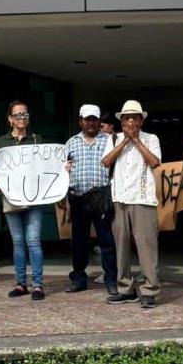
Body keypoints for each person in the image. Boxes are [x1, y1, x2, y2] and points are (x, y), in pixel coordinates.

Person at [102, 100, 162, 309]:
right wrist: (124, 141)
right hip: (119, 199)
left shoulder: (151, 138)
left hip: (142, 199)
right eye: (126, 118)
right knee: (121, 247)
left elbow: (154, 162)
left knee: (146, 246)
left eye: (134, 117)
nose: (130, 121)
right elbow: (106, 161)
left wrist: (136, 141)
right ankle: (125, 289)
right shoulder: (113, 139)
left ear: (141, 120)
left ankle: (149, 290)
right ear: (121, 121)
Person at [0, 100, 47, 300]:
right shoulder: (2, 143)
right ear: (10, 119)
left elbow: (45, 167)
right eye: (18, 114)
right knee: (18, 242)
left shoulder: (37, 140)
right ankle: (21, 283)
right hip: (11, 198)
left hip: (34, 198)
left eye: (26, 114)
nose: (23, 117)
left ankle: (37, 285)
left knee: (34, 241)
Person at [64, 104, 118, 295]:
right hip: (77, 197)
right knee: (78, 241)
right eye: (87, 119)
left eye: (94, 119)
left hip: (101, 196)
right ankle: (78, 279)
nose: (91, 123)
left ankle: (111, 279)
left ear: (99, 121)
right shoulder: (70, 143)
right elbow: (62, 170)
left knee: (106, 240)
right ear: (80, 121)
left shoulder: (111, 140)